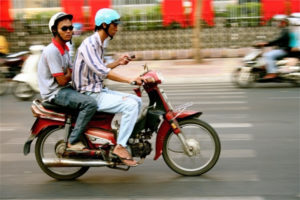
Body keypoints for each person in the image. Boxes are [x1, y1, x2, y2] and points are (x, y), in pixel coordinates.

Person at [73, 8, 146, 167]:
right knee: (131, 105)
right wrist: (130, 80)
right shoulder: (90, 44)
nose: (117, 28)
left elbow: (100, 67)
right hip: (89, 93)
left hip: (97, 88)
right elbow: (102, 71)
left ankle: (124, 137)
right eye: (114, 24)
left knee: (137, 101)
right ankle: (120, 147)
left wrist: (119, 62)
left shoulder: (98, 43)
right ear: (104, 25)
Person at [37, 12, 98, 151]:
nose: (69, 31)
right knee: (90, 103)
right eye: (64, 28)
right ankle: (73, 140)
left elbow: (72, 72)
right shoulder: (52, 51)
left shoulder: (64, 48)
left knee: (93, 92)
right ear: (54, 30)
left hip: (63, 89)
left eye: (70, 28)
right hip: (55, 93)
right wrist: (69, 74)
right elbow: (62, 81)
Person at [256, 15, 291, 79]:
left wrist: (266, 44)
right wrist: (266, 44)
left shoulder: (286, 30)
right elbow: (278, 41)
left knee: (268, 55)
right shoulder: (284, 30)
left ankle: (272, 73)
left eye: (278, 22)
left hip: (284, 50)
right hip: (282, 49)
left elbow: (278, 40)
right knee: (266, 55)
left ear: (283, 23)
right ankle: (268, 68)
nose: (277, 23)